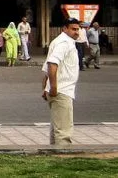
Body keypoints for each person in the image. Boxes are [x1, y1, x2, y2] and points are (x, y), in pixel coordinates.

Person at [42, 17, 81, 146]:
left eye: (77, 29)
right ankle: (63, 159)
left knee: (56, 129)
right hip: (62, 91)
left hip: (59, 90)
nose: (76, 32)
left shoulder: (60, 41)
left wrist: (45, 88)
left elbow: (47, 67)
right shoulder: (64, 43)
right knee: (63, 132)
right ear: (64, 29)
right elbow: (52, 64)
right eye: (73, 29)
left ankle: (54, 157)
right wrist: (53, 87)